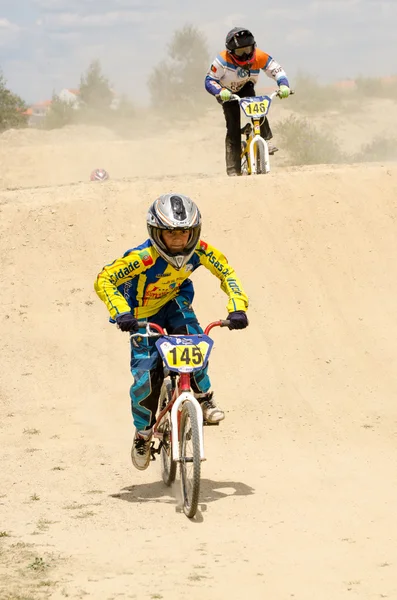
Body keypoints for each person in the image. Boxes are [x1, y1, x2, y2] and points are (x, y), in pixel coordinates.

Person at [94, 193, 249, 471]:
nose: (178, 240)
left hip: (174, 301)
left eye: (184, 233)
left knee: (194, 339)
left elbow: (227, 272)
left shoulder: (200, 250)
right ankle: (143, 434)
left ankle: (203, 398)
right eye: (170, 233)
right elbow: (104, 279)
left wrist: (237, 307)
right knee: (146, 378)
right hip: (141, 313)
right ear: (156, 232)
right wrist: (121, 312)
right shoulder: (142, 257)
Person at [205, 27, 291, 176]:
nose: (245, 55)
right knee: (233, 127)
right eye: (240, 52)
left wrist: (283, 85)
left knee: (258, 106)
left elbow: (277, 70)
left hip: (246, 87)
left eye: (248, 49)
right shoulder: (221, 60)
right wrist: (220, 91)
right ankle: (233, 170)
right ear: (231, 52)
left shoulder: (260, 56)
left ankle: (265, 140)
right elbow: (209, 80)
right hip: (227, 93)